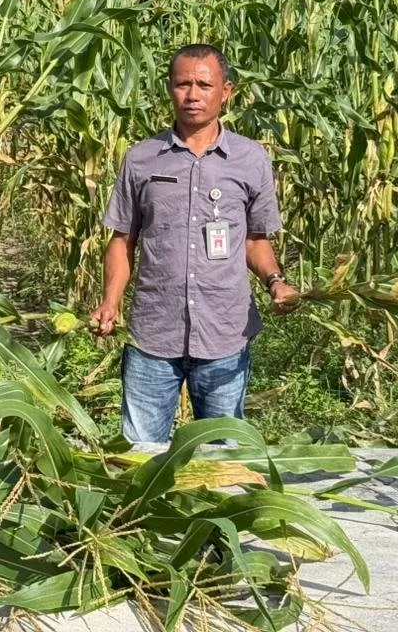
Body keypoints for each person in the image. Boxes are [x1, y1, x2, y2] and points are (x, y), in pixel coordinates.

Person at [91, 43, 300, 446]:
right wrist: (110, 301)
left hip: (224, 331)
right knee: (139, 455)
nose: (192, 94)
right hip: (153, 331)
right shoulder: (142, 158)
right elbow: (123, 239)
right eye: (182, 83)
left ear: (227, 91)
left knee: (222, 458)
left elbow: (255, 241)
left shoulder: (251, 158)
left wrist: (276, 282)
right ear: (169, 88)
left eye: (204, 84)